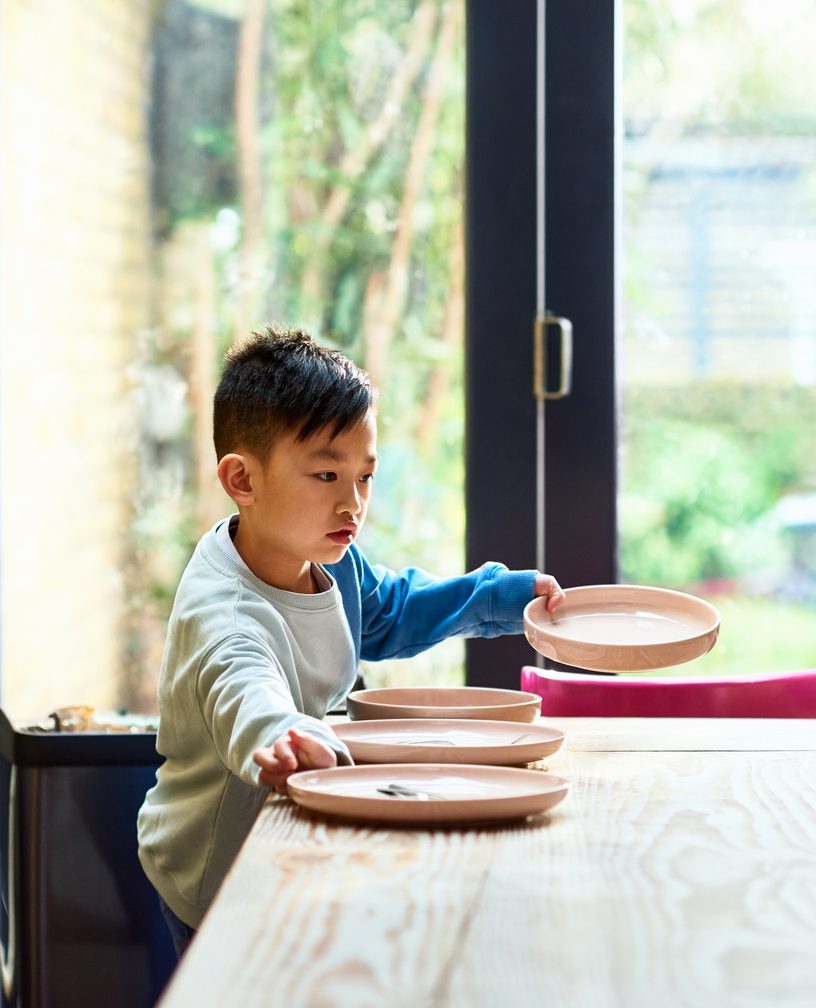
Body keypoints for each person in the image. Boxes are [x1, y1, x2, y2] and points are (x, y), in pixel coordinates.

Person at [137, 327, 564, 956]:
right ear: (242, 480)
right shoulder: (225, 616)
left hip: (290, 824)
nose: (353, 502)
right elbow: (242, 689)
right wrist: (279, 735)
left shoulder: (327, 555)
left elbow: (389, 612)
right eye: (326, 474)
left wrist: (495, 598)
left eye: (364, 476)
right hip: (217, 869)